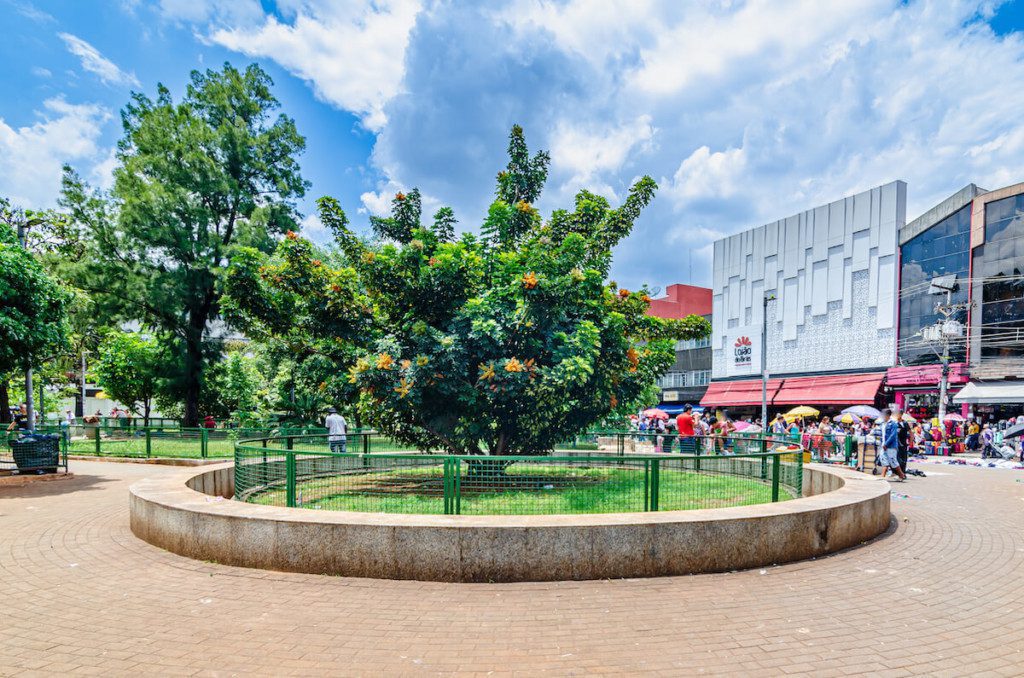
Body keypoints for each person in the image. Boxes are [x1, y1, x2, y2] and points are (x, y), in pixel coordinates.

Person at [876, 409, 906, 481]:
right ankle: (883, 476)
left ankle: (901, 475)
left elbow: (893, 435)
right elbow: (881, 434)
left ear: (888, 415)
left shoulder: (893, 424)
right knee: (883, 460)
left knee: (893, 461)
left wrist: (886, 444)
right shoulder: (882, 424)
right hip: (883, 445)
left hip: (891, 446)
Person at [893, 408, 910, 474]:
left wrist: (910, 442)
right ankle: (895, 472)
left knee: (903, 458)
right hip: (894, 443)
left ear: (901, 414)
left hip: (903, 443)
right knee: (895, 458)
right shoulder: (894, 423)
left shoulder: (904, 423)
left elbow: (910, 433)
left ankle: (902, 472)